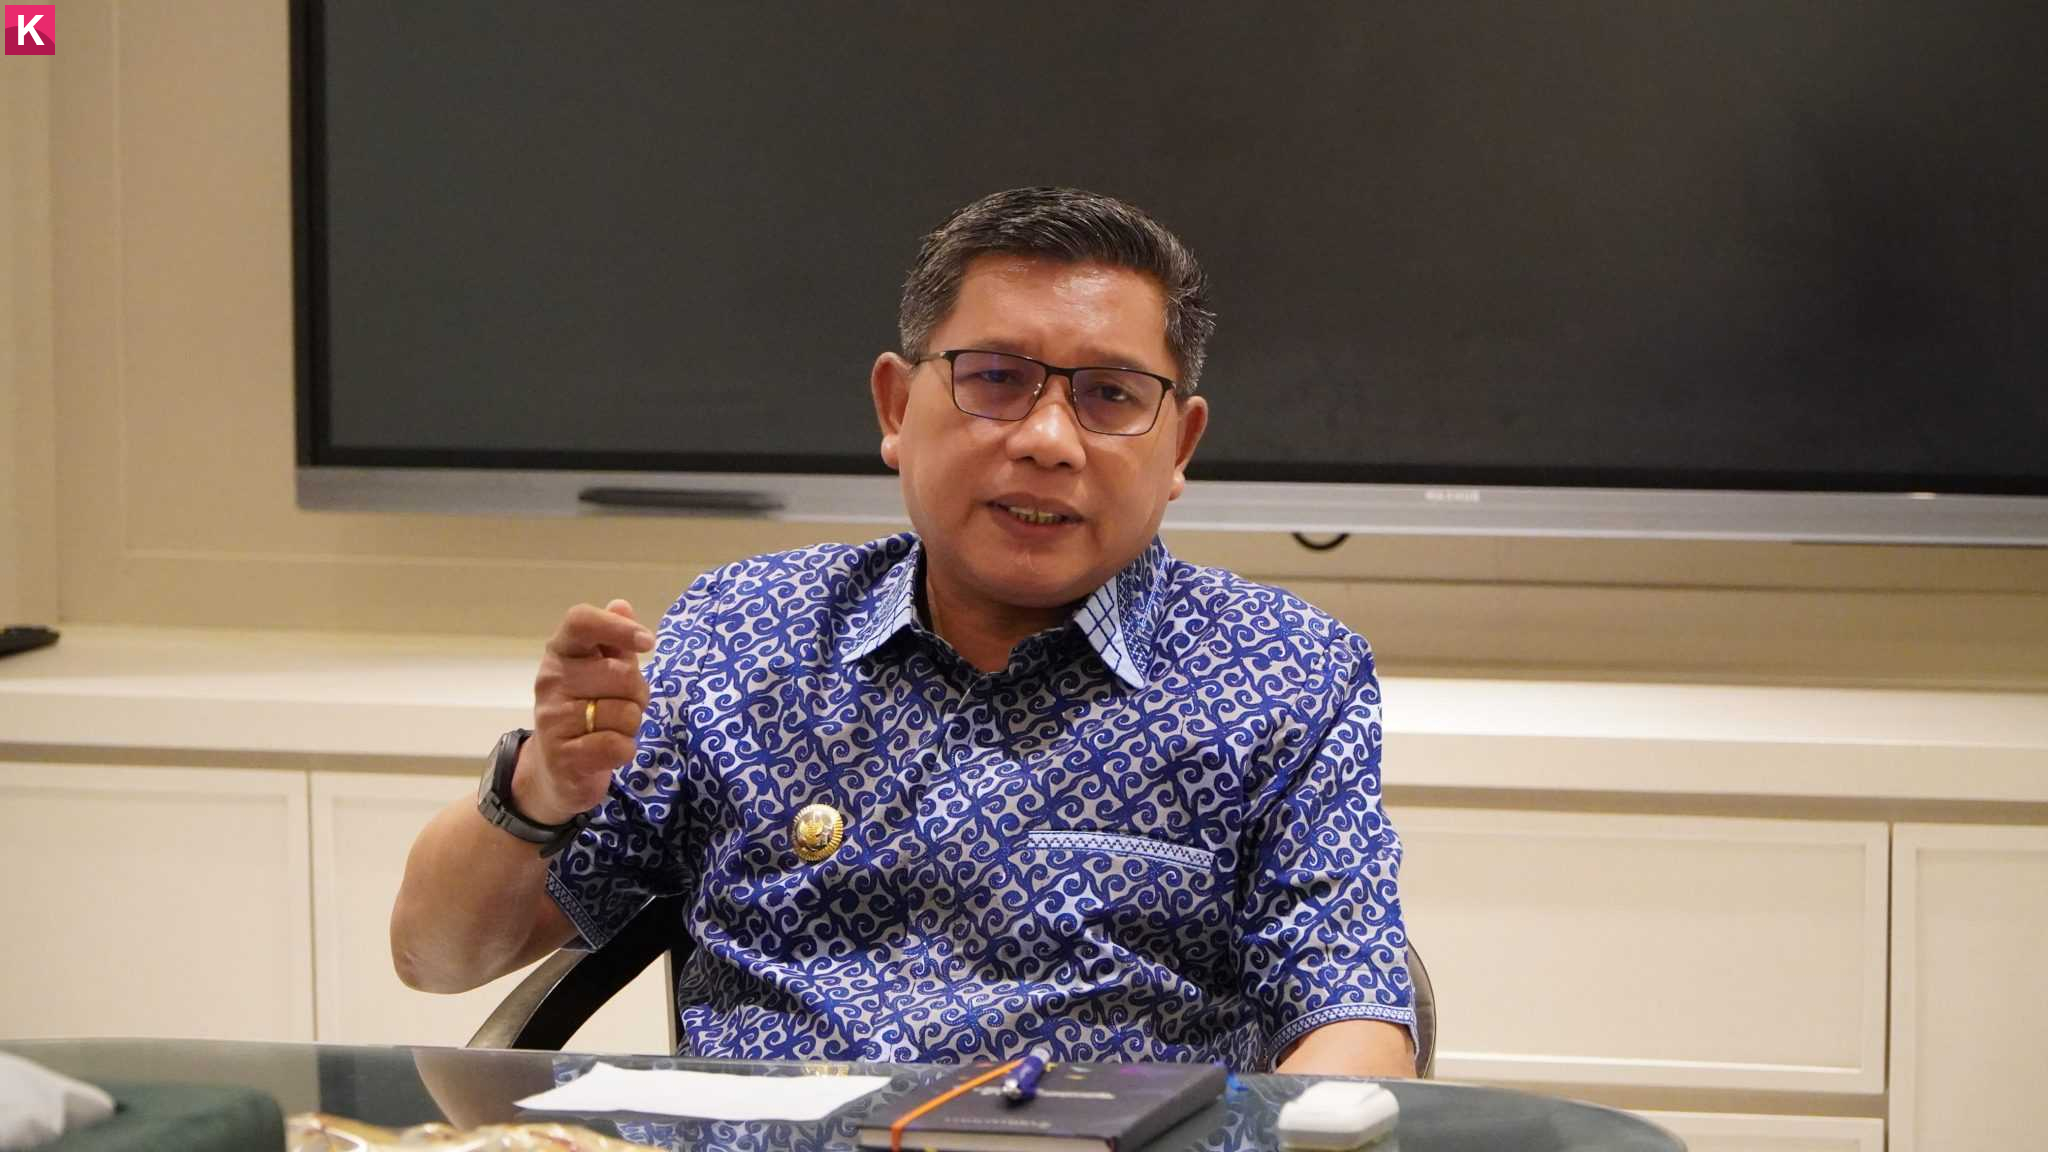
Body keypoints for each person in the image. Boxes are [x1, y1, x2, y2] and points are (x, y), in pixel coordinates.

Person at [391, 187, 1415, 1076]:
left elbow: (1353, 1022)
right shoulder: (744, 635)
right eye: (996, 378)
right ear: (895, 405)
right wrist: (541, 790)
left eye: (1109, 395)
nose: (1048, 441)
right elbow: (436, 958)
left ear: (1179, 444)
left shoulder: (1285, 673)